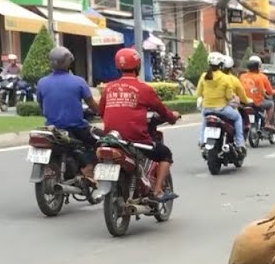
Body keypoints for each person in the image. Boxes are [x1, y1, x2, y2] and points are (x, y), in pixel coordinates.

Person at [99, 47, 181, 203]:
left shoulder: (108, 88)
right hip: (135, 140)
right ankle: (157, 191)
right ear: (138, 66)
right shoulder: (144, 89)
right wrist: (172, 117)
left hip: (112, 139)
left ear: (118, 66)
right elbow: (163, 111)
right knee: (165, 154)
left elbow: (101, 112)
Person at [35, 46, 101, 182]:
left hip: (51, 128)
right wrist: (102, 112)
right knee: (104, 141)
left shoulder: (42, 82)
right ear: (68, 62)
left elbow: (41, 106)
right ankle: (89, 168)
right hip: (76, 127)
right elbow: (93, 106)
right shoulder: (78, 81)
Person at [194, 52, 248, 148]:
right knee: (238, 118)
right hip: (222, 109)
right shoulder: (226, 78)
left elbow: (198, 93)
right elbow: (229, 96)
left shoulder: (203, 76)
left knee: (204, 120)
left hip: (206, 108)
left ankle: (201, 140)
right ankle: (240, 142)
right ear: (221, 65)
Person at [239, 56, 275, 129]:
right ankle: (267, 123)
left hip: (243, 101)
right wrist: (268, 95)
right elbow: (264, 91)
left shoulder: (242, 76)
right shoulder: (260, 77)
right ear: (258, 66)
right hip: (256, 102)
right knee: (271, 104)